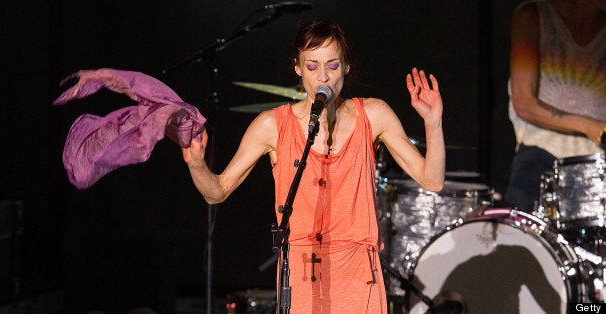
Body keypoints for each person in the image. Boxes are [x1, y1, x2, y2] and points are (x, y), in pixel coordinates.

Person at [182, 20, 445, 313]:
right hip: (301, 276)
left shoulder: (373, 114)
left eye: (332, 66)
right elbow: (216, 192)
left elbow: (431, 180)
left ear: (346, 66)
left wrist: (432, 122)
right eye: (312, 67)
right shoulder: (272, 125)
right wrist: (196, 164)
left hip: (358, 277)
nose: (323, 76)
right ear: (297, 68)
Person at [505, 0, 606, 212]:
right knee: (521, 237)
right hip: (541, 154)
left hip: (598, 162)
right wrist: (590, 127)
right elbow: (524, 103)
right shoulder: (533, 16)